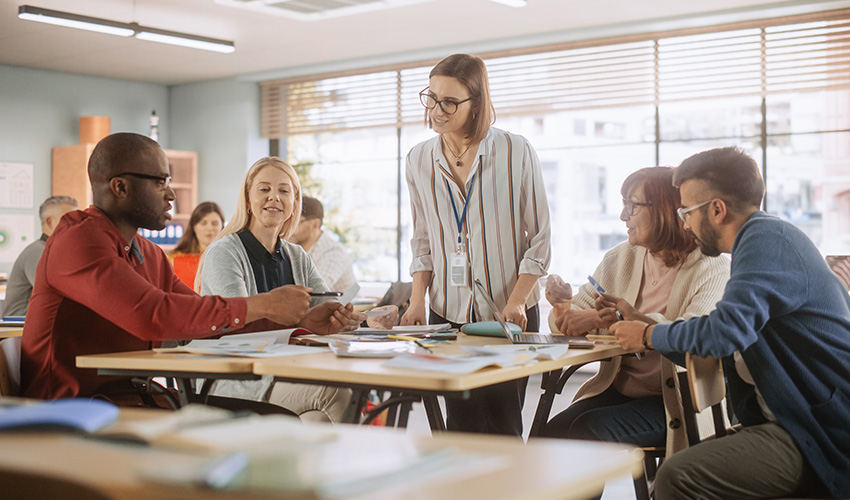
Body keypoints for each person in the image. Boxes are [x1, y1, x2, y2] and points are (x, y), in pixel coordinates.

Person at [19, 133, 357, 405]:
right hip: (68, 408)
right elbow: (151, 314)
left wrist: (299, 321)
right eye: (159, 182)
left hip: (131, 396)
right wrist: (267, 304)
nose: (170, 195)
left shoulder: (147, 254)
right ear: (120, 187)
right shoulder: (78, 239)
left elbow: (200, 320)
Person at [611, 147, 850, 499]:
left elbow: (724, 333)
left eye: (686, 212)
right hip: (796, 420)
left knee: (676, 476)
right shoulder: (766, 239)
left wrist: (648, 335)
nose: (684, 223)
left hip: (815, 432)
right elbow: (726, 338)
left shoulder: (764, 241)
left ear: (717, 210)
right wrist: (652, 328)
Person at [401, 53, 551, 436]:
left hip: (507, 313)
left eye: (449, 102)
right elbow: (422, 238)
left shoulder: (515, 150)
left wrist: (517, 299)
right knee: (458, 429)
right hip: (447, 311)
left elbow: (540, 238)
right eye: (430, 97)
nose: (436, 110)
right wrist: (417, 300)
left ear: (477, 104)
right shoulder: (419, 159)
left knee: (502, 426)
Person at [538, 168, 730, 466]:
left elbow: (695, 335)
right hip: (618, 390)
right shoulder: (621, 257)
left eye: (632, 205)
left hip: (676, 402)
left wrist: (624, 321)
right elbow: (570, 323)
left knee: (585, 436)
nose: (622, 216)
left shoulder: (712, 267)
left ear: (665, 210)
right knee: (546, 439)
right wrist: (563, 306)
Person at [198, 157, 365, 422]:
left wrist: (339, 319)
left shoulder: (297, 256)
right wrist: (303, 323)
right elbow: (237, 323)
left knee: (318, 419)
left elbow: (322, 308)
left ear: (293, 203)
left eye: (284, 191)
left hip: (286, 370)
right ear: (248, 199)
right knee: (337, 393)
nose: (274, 197)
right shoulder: (224, 252)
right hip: (235, 378)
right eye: (264, 189)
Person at [4, 196, 77, 317]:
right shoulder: (38, 252)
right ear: (49, 222)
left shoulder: (53, 251)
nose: (76, 225)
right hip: (19, 328)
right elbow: (57, 293)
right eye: (69, 220)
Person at [288, 196, 357, 293]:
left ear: (315, 224)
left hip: (350, 307)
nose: (290, 228)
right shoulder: (295, 250)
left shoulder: (333, 252)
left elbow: (314, 292)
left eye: (297, 222)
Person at [167, 201, 225, 289]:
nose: (209, 228)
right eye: (203, 223)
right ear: (194, 226)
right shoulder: (174, 258)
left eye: (215, 224)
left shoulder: (228, 257)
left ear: (222, 227)